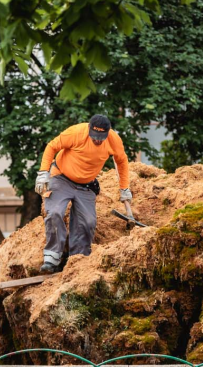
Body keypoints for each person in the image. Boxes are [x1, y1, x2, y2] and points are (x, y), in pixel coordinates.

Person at [36, 114, 131, 274]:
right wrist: (43, 172)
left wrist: (124, 188)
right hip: (61, 177)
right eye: (95, 137)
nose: (98, 141)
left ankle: (78, 261)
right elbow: (52, 146)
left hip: (86, 185)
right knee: (55, 212)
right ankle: (52, 257)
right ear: (89, 129)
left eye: (101, 138)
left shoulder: (114, 140)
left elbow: (121, 161)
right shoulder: (76, 133)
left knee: (87, 222)